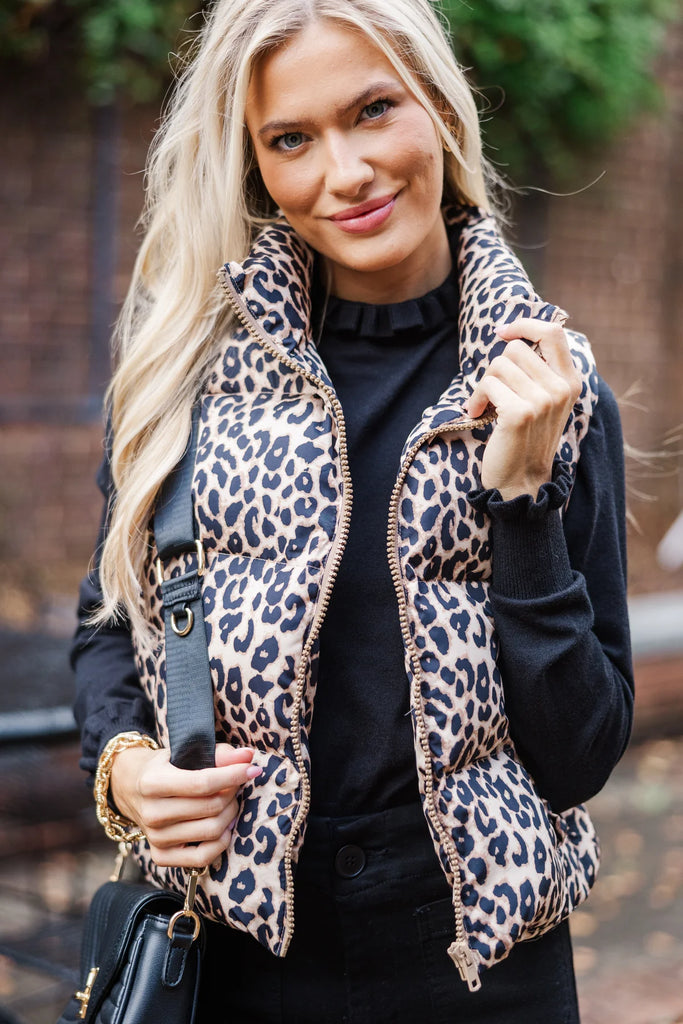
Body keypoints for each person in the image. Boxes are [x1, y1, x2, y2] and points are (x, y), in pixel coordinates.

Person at [72, 1, 633, 1020]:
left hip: (480, 965)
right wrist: (127, 771)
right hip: (236, 957)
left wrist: (520, 500)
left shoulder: (550, 392)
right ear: (255, 167)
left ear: (440, 109)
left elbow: (578, 755)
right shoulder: (184, 382)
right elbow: (111, 623)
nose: (345, 173)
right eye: (290, 138)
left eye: (373, 110)